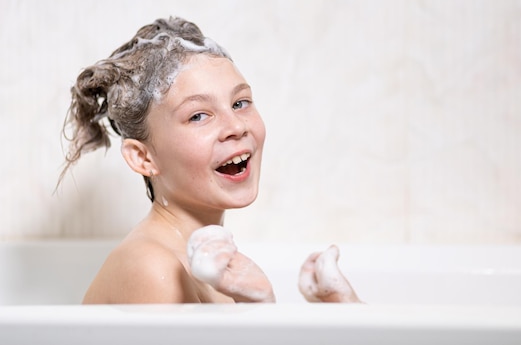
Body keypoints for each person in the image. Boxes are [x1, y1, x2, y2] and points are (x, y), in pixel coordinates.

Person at [60, 16, 361, 304]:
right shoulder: (152, 267)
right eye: (198, 115)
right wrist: (262, 307)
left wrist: (345, 315)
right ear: (143, 157)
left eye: (239, 103)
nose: (236, 126)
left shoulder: (200, 264)